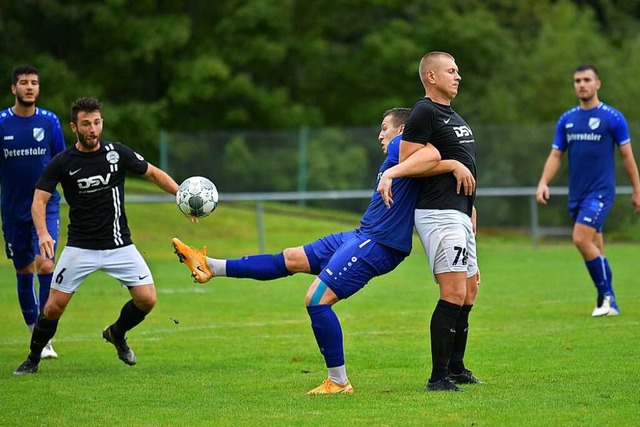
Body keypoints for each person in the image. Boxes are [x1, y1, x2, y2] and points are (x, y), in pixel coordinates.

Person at [172, 107, 460, 394]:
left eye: (384, 128)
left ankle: (338, 381)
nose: (380, 135)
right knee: (290, 258)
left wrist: (452, 166)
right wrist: (452, 166)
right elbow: (434, 162)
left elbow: (434, 156)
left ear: (401, 130)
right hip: (362, 234)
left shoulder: (401, 144)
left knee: (317, 299)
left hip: (378, 243)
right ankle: (211, 266)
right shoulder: (402, 153)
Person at [13, 97, 181, 375]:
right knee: (53, 307)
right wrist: (42, 233)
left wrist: (180, 195)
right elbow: (38, 201)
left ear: (102, 123)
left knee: (147, 299)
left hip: (119, 245)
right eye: (86, 124)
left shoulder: (117, 153)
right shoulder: (62, 162)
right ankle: (32, 358)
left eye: (97, 122)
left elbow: (152, 173)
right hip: (80, 247)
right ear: (74, 127)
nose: (92, 129)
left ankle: (116, 333)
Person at [377, 51, 481, 392]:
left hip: (459, 211)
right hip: (438, 212)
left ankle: (456, 367)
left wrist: (470, 207)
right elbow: (409, 160)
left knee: (469, 292)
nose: (458, 76)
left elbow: (462, 160)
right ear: (431, 77)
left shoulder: (452, 115)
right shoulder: (425, 111)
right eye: (451, 70)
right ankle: (438, 378)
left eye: (458, 69)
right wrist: (451, 165)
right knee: (452, 292)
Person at [536, 64, 640, 317]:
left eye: (586, 80)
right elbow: (556, 155)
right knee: (597, 250)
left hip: (601, 192)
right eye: (577, 80)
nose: (581, 84)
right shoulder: (567, 119)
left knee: (580, 239)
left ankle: (607, 299)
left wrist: (637, 189)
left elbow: (627, 157)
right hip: (577, 195)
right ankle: (608, 301)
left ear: (597, 84)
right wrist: (543, 182)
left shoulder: (612, 118)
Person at [0, 65, 66, 360]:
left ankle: (45, 336)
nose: (29, 87)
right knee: (24, 269)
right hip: (14, 211)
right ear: (14, 88)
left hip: (48, 206)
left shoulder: (50, 122)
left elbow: (63, 164)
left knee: (46, 265)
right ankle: (33, 331)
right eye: (24, 83)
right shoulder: (1, 123)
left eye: (34, 83)